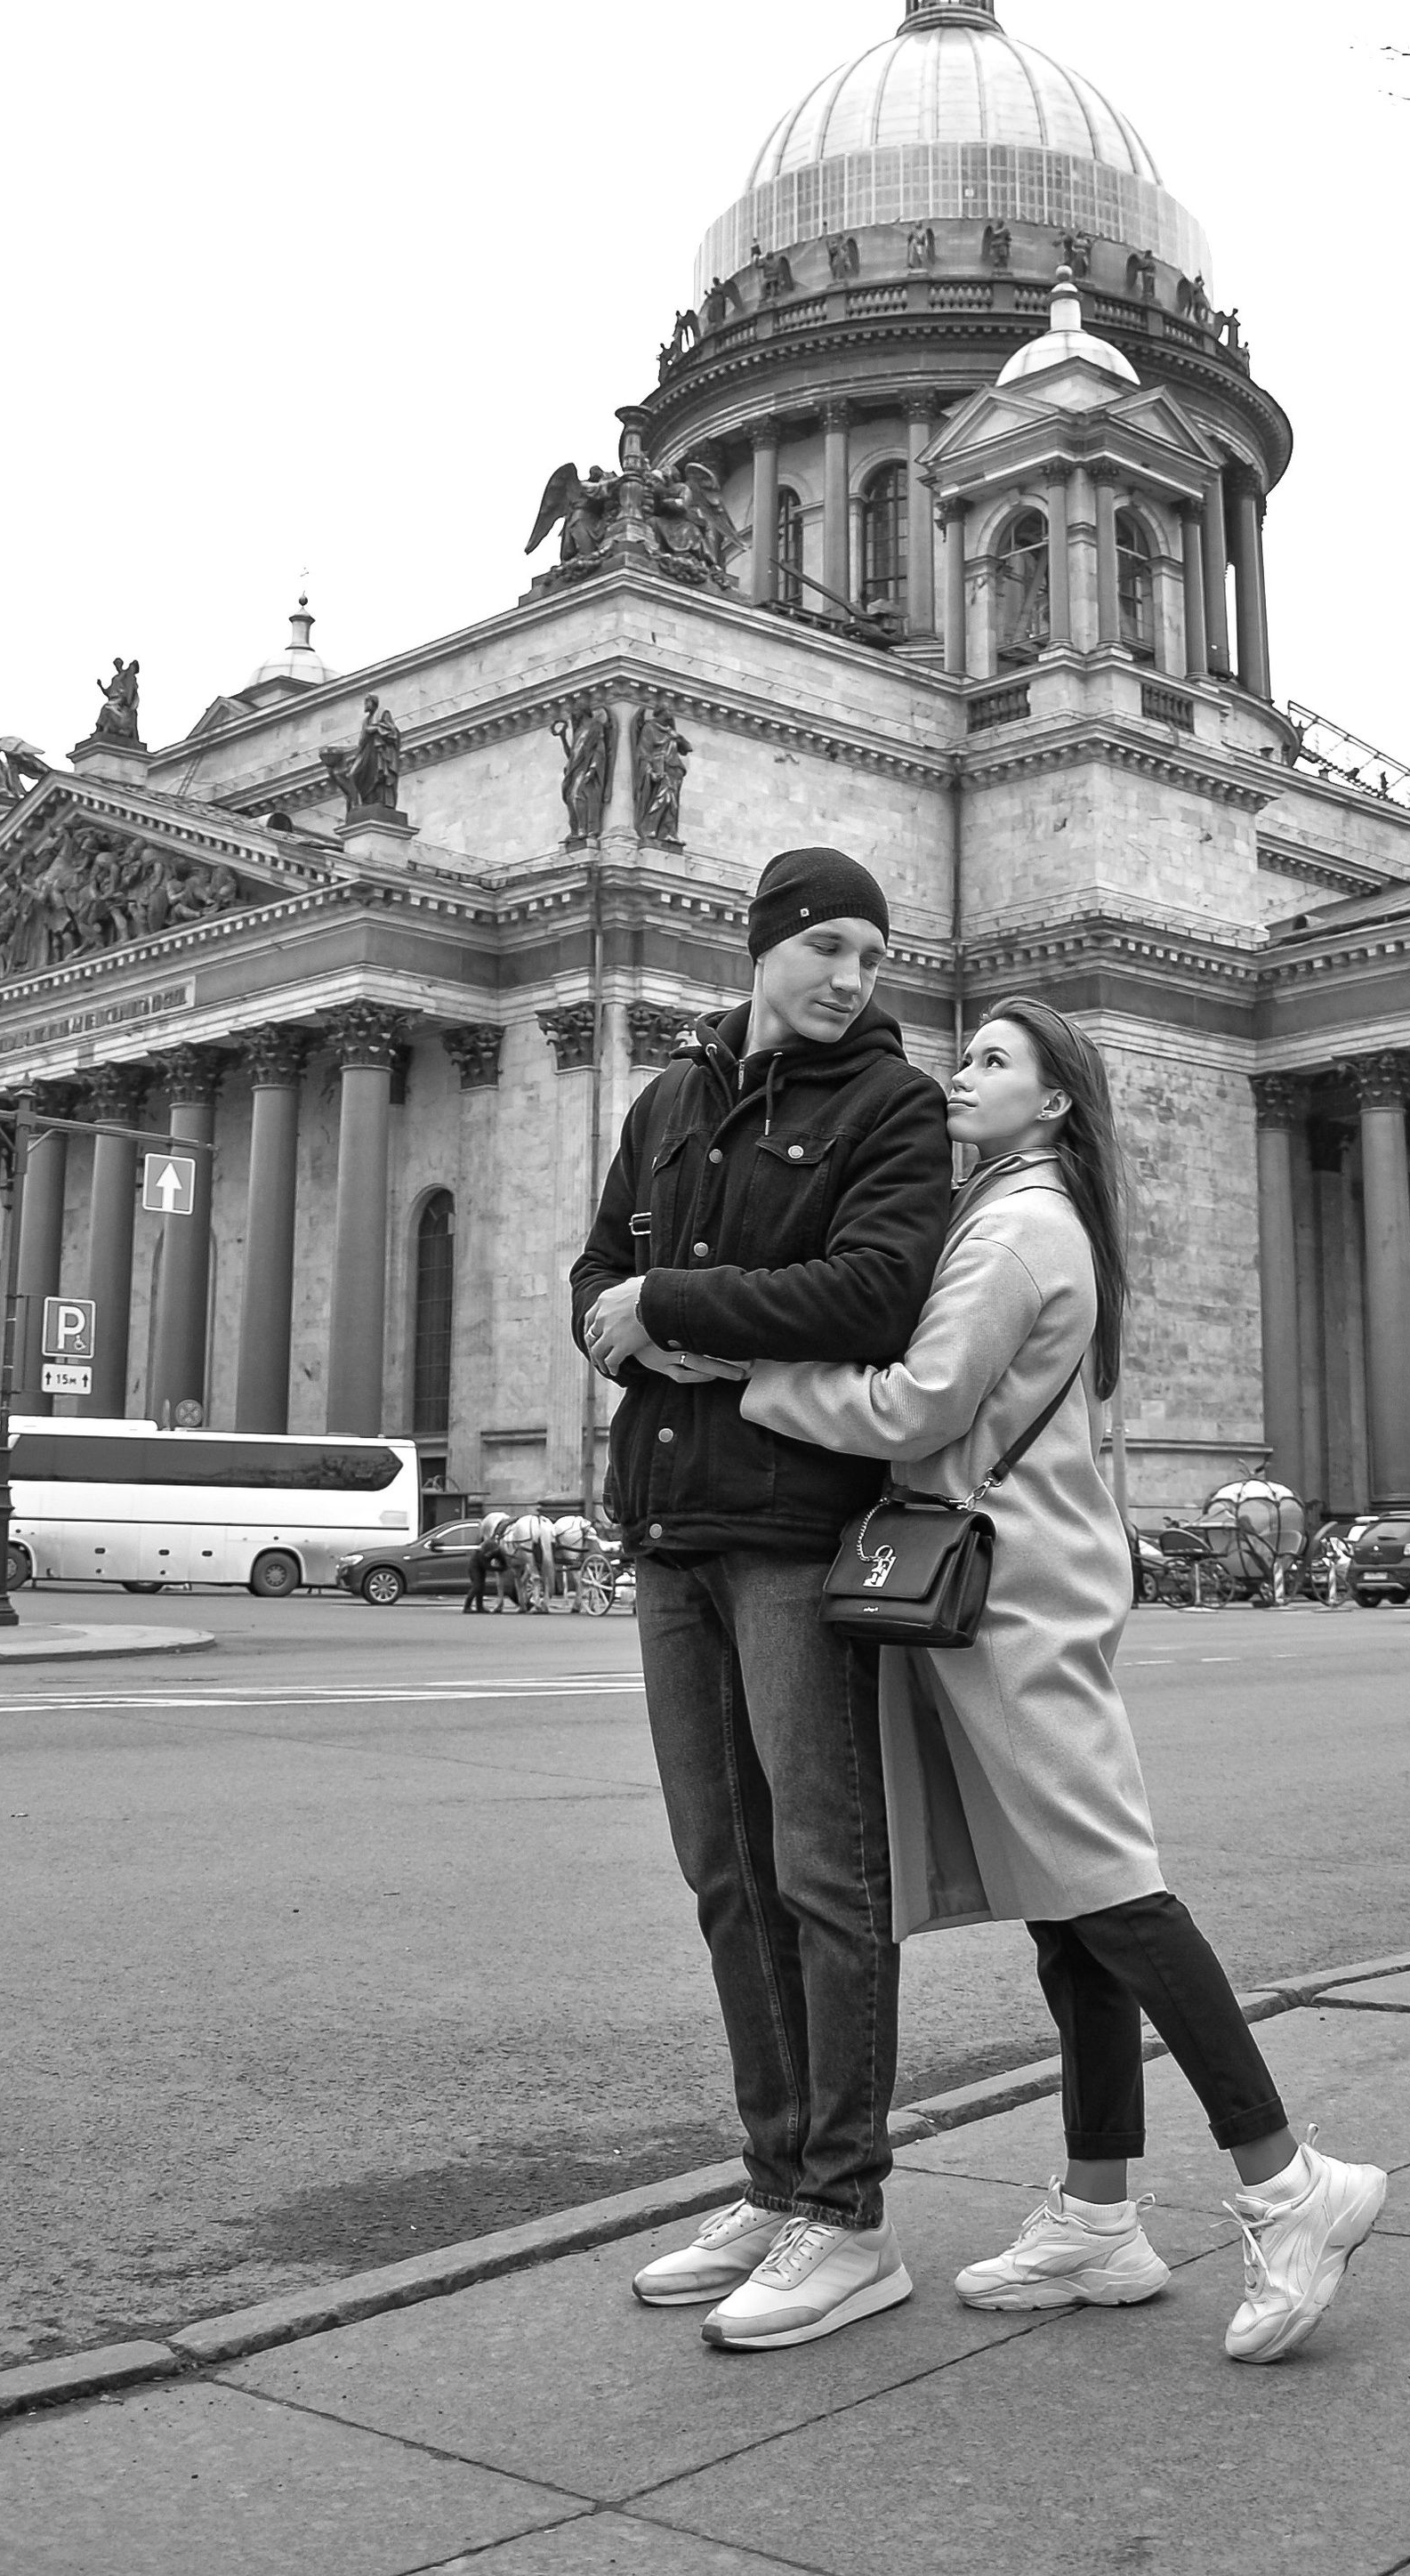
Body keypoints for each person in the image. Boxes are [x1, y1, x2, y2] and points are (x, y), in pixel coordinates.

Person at [739, 997, 1387, 2368]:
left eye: (989, 1062)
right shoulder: (1029, 1213)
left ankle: (1288, 2180)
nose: (956, 1076)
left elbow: (918, 1407)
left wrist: (759, 1382)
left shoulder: (1019, 1225)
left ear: (1049, 1105)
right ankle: (1099, 2216)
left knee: (1112, 1890)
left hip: (1015, 1597)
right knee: (1069, 1912)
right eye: (962, 1054)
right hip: (1025, 1577)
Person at [569, 846, 953, 2350]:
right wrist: (627, 1326)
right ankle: (776, 2175)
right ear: (765, 944)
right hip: (670, 1526)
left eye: (874, 954)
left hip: (797, 1531)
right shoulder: (668, 1099)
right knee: (723, 1870)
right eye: (830, 948)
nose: (854, 979)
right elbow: (597, 1272)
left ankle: (849, 2216)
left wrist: (671, 1312)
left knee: (823, 1875)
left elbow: (875, 1296)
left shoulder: (893, 1106)